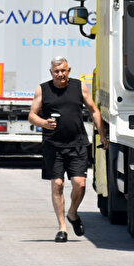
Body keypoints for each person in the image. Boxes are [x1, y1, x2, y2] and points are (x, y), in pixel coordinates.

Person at [29, 56, 104, 243]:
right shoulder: (43, 90)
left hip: (77, 143)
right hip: (53, 146)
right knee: (58, 185)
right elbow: (32, 116)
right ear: (51, 73)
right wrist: (44, 123)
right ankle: (62, 227)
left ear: (69, 70)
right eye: (56, 71)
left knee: (80, 184)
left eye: (63, 70)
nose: (60, 74)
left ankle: (72, 213)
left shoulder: (79, 87)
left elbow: (94, 110)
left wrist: (102, 134)